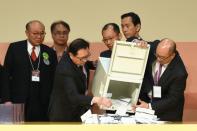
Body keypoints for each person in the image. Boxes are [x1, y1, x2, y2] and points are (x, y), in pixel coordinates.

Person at [2, 20, 58, 121]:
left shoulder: (49, 52)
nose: (39, 36)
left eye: (42, 33)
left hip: (43, 103)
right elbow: (5, 75)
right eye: (35, 33)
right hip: (18, 101)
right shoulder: (15, 48)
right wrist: (7, 99)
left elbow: (54, 78)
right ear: (27, 33)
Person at [48, 38, 112, 122]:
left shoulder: (78, 60)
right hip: (63, 115)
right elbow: (73, 97)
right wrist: (96, 99)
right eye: (82, 58)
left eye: (87, 56)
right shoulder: (64, 70)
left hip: (77, 111)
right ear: (71, 55)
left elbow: (84, 63)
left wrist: (93, 63)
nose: (85, 60)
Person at [136, 38, 188, 121]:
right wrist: (138, 42)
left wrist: (149, 106)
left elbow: (173, 99)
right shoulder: (156, 46)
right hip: (147, 107)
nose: (158, 59)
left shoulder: (179, 73)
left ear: (172, 56)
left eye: (162, 57)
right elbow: (138, 42)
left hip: (168, 114)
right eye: (157, 55)